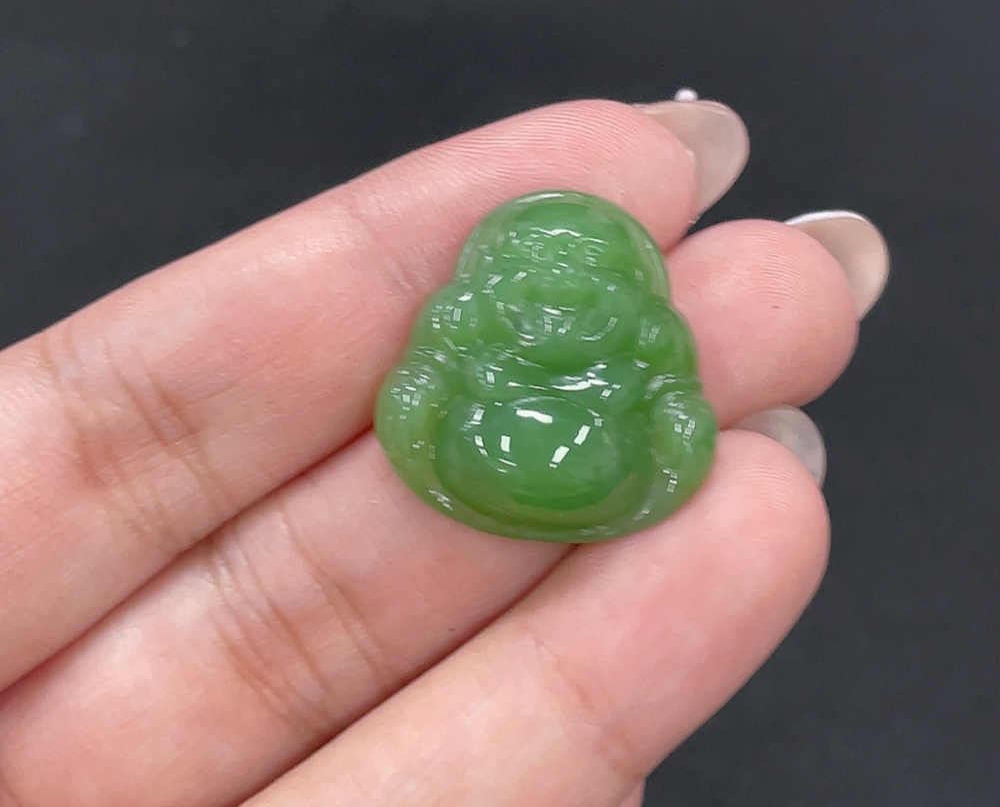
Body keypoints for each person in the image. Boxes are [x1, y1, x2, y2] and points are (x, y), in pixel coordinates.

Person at [0, 99, 887, 806]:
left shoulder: (647, 334)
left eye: (587, 277)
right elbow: (424, 380)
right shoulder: (466, 320)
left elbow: (669, 398)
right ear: (497, 279)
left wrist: (672, 432)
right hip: (480, 444)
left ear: (626, 288)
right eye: (538, 273)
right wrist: (428, 404)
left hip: (603, 453)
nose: (561, 292)